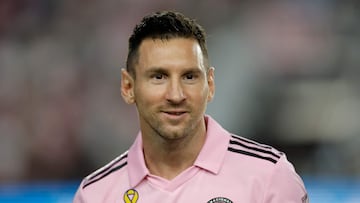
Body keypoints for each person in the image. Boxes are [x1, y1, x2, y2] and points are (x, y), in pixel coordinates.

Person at [73, 10, 308, 203]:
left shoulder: (270, 177)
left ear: (210, 85)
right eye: (158, 77)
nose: (176, 95)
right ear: (128, 87)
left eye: (189, 77)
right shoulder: (94, 194)